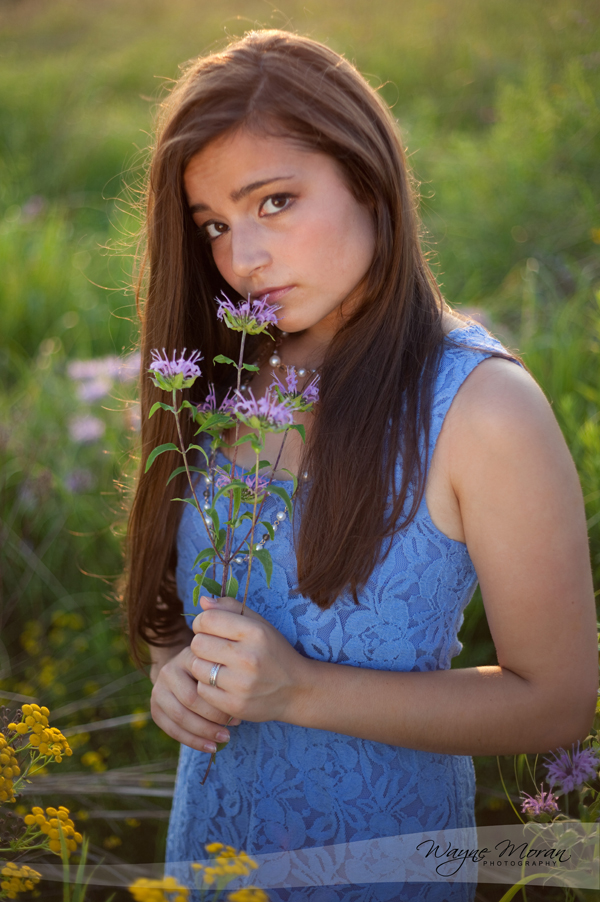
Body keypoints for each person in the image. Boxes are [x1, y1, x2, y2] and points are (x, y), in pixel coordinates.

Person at [123, 29, 598, 901]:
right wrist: (173, 678)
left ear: (369, 178)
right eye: (215, 225)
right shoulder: (219, 377)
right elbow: (171, 608)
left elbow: (557, 701)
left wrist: (298, 689)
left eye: (274, 203)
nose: (242, 258)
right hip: (206, 862)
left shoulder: (481, 408)